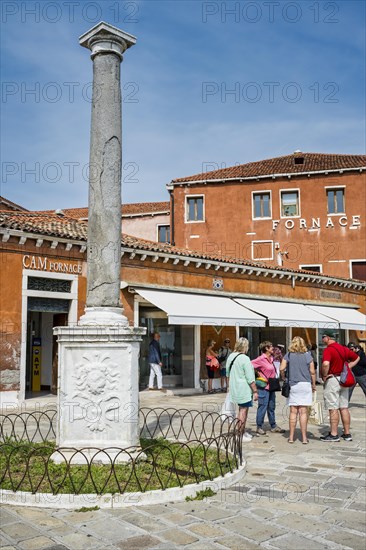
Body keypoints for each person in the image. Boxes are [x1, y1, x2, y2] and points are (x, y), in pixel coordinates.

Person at [320, 330, 359, 442]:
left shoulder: (328, 349)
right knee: (344, 407)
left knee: (333, 408)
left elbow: (326, 364)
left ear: (327, 337)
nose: (322, 339)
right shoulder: (343, 348)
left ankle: (334, 434)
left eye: (323, 337)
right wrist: (348, 367)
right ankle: (347, 433)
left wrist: (324, 375)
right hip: (343, 380)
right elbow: (356, 357)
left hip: (333, 380)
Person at [280, 336, 316, 444]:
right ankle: (304, 438)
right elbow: (312, 372)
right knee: (303, 412)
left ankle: (291, 437)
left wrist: (284, 377)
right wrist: (313, 384)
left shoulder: (289, 355)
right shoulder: (307, 355)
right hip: (305, 385)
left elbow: (281, 368)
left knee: (293, 411)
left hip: (293, 385)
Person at [226, 337, 258, 442]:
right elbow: (250, 377)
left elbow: (227, 373)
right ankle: (240, 433)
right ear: (245, 346)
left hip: (234, 387)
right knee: (243, 411)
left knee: (240, 410)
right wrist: (255, 391)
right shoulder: (245, 358)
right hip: (243, 388)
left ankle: (241, 431)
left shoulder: (230, 356)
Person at [252, 341, 285, 435]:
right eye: (271, 347)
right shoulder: (260, 359)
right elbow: (249, 365)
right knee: (262, 406)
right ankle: (259, 427)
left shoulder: (271, 358)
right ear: (266, 348)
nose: (273, 348)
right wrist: (257, 374)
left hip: (272, 386)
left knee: (271, 406)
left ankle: (273, 426)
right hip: (263, 387)